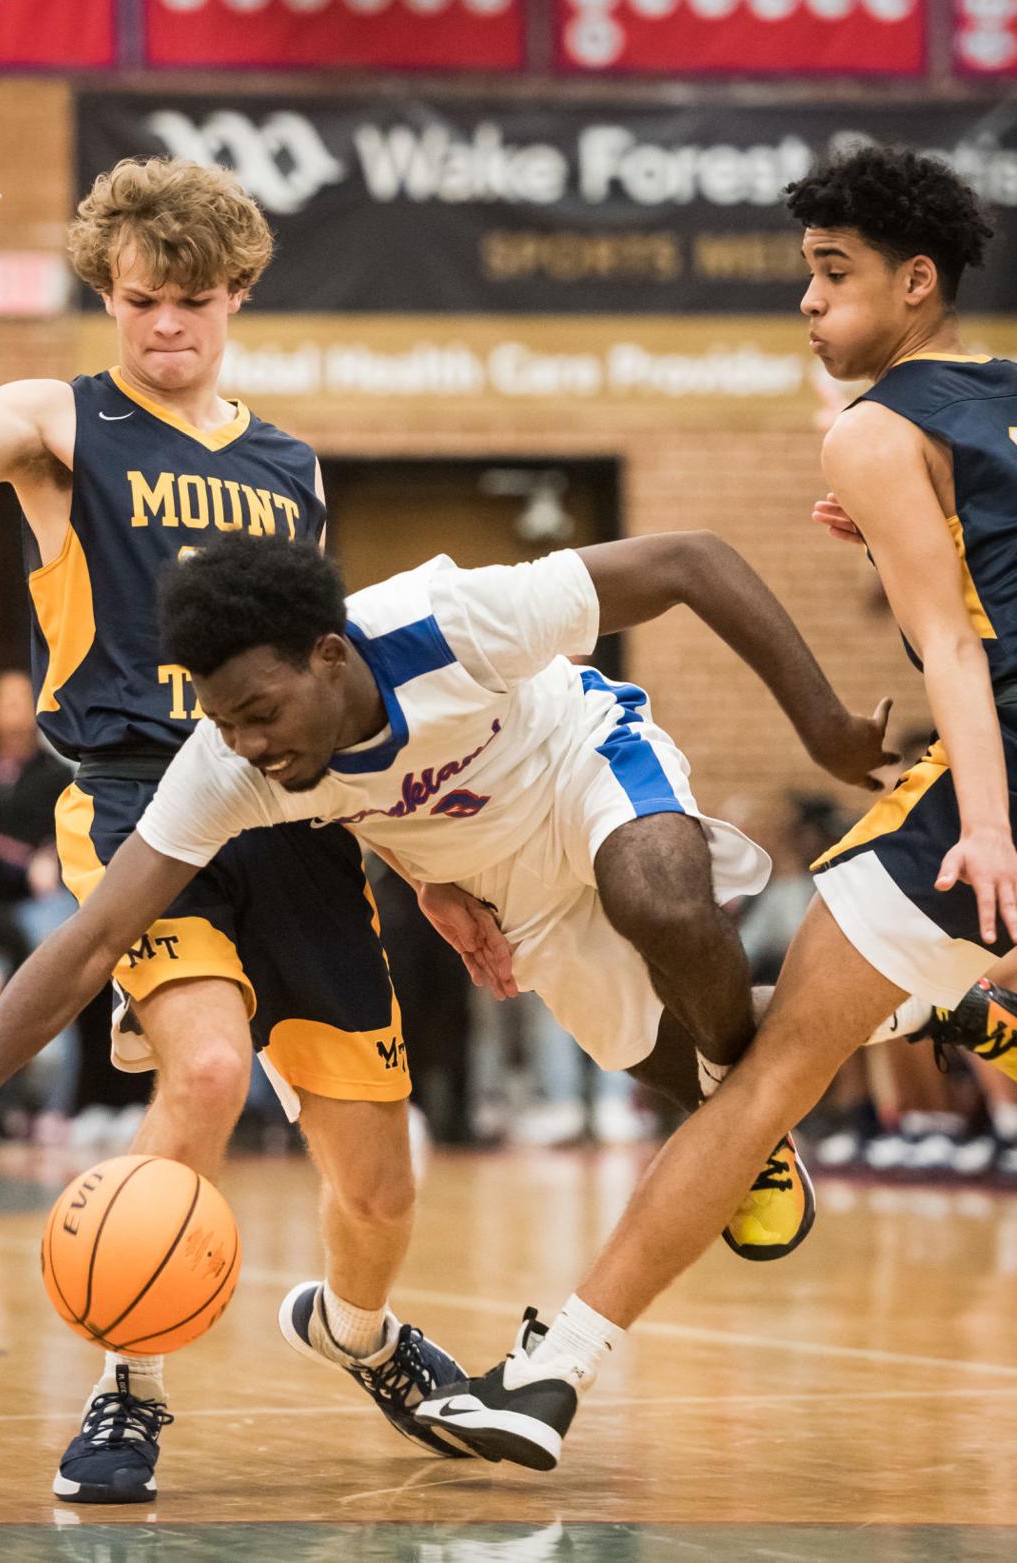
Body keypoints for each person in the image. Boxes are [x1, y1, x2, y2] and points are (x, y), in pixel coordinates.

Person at [0, 524, 893, 1453]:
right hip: (502, 883)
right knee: (662, 1059)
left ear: (330, 655)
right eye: (225, 723)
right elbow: (94, 936)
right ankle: (812, 1062)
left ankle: (739, 1109)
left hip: (582, 765)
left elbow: (691, 560)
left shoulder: (449, 620)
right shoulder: (231, 768)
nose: (248, 744)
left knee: (661, 901)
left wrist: (828, 731)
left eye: (260, 711)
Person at [0, 112, 491, 1502]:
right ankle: (128, 1384)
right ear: (109, 293)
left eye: (191, 300)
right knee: (204, 1071)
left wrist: (423, 861)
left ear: (237, 292)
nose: (165, 325)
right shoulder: (62, 420)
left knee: (379, 1182)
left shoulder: (291, 467)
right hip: (141, 799)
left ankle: (362, 1334)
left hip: (295, 818)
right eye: (140, 300)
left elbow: (330, 700)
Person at [403, 144, 1017, 1469]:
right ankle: (938, 1003)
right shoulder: (997, 399)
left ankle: (551, 1372)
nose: (809, 300)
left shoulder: (873, 430)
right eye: (807, 274)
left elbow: (957, 650)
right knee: (796, 1038)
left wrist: (986, 819)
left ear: (917, 282)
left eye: (834, 274)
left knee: (757, 1078)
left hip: (997, 762)